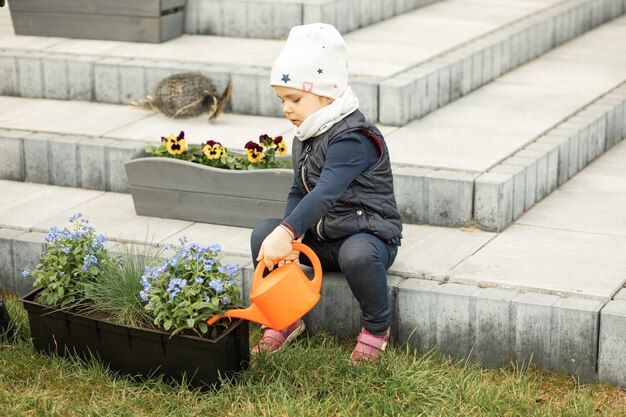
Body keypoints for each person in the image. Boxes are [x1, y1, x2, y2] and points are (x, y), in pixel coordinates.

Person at [250, 23, 402, 364]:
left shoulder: (353, 138)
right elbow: (298, 189)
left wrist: (287, 232)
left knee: (357, 254)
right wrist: (290, 232)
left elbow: (324, 193)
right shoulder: (304, 134)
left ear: (326, 94)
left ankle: (376, 330)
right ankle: (285, 318)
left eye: (294, 98)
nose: (286, 108)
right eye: (282, 100)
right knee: (263, 233)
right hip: (324, 239)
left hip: (367, 236)